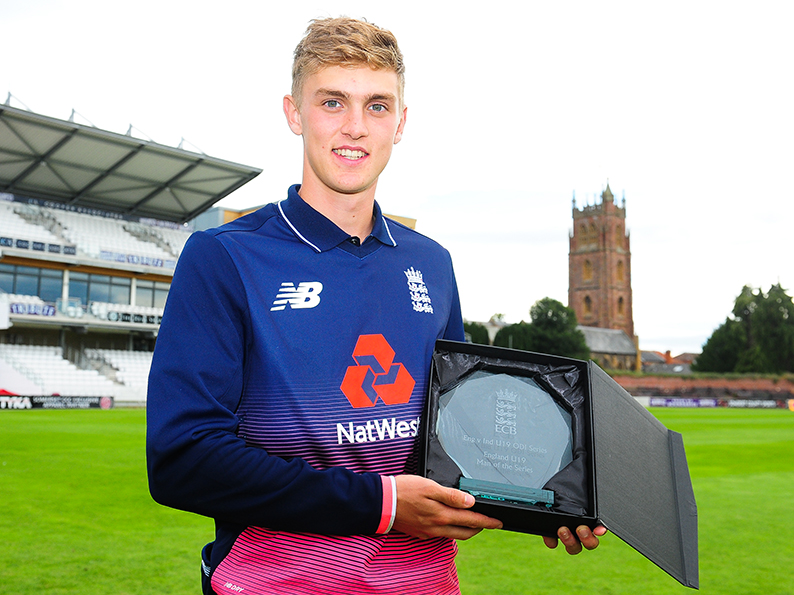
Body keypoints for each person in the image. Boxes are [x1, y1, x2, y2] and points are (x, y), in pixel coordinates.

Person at [146, 16, 605, 595]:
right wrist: (380, 505)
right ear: (294, 113)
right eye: (332, 102)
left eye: (378, 106)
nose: (356, 128)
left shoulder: (432, 263)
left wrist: (551, 498)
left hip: (423, 582)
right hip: (270, 584)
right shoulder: (226, 256)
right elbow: (182, 460)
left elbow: (455, 441)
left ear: (402, 121)